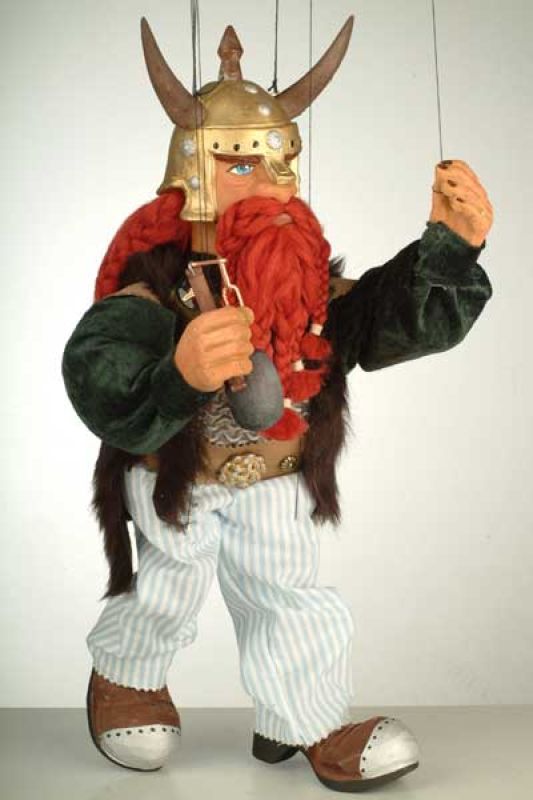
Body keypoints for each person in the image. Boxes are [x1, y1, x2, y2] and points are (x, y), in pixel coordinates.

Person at [62, 15, 493, 792]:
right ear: (195, 170)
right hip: (175, 475)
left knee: (288, 596)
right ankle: (127, 676)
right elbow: (98, 373)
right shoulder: (154, 278)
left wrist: (449, 252)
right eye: (241, 165)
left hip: (277, 477)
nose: (272, 185)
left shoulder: (301, 280)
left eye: (282, 162)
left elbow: (382, 324)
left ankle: (306, 720)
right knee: (166, 586)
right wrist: (179, 373)